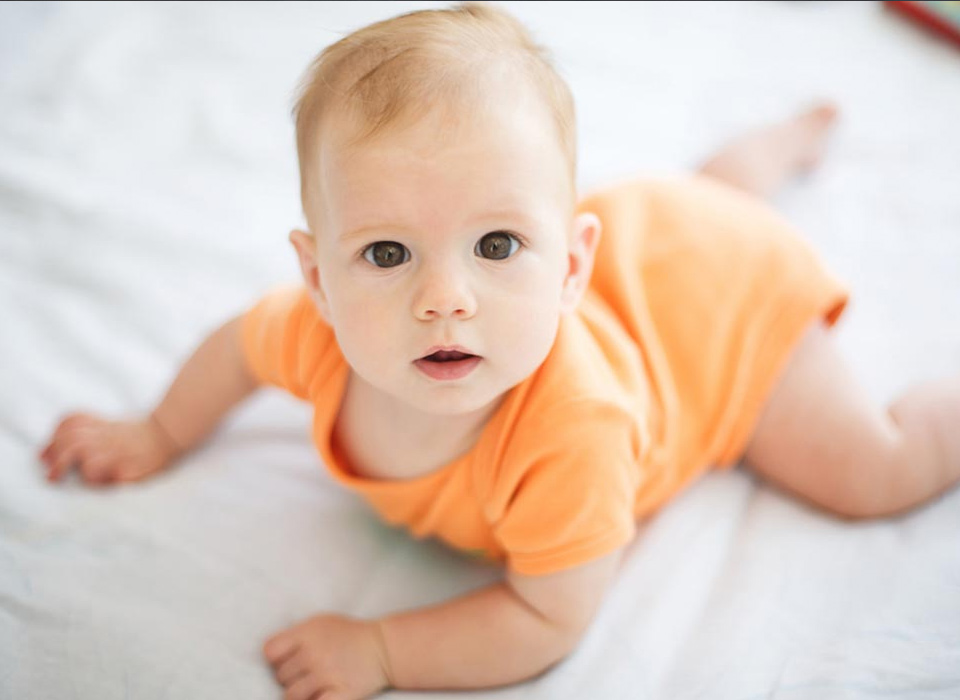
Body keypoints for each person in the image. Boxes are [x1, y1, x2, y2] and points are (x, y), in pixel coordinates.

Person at [37, 3, 960, 698]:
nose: (446, 298)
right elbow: (237, 349)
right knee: (704, 198)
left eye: (496, 246)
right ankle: (755, 161)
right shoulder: (310, 336)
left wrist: (385, 650)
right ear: (317, 280)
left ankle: (769, 166)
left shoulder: (574, 434)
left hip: (725, 317)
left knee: (874, 472)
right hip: (654, 235)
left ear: (568, 265)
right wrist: (157, 429)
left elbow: (548, 616)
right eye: (388, 253)